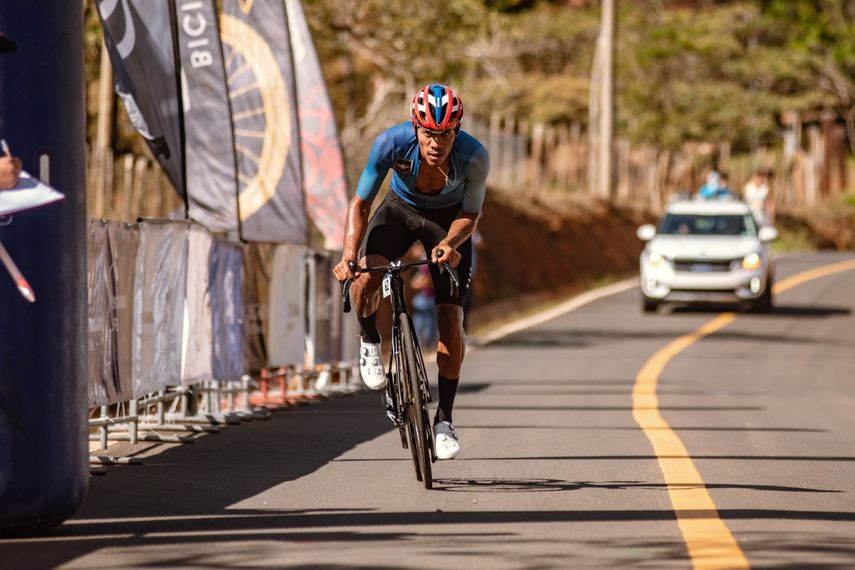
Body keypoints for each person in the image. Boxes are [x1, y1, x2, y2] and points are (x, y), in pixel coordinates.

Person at [332, 83, 489, 460]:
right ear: (415, 129)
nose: (437, 143)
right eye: (429, 134)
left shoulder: (474, 157)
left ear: (458, 131)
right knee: (368, 273)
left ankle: (444, 421)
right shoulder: (390, 144)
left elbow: (470, 214)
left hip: (448, 223)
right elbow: (361, 202)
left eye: (446, 134)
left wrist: (450, 244)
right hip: (399, 210)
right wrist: (349, 254)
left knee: (451, 318)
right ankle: (370, 340)